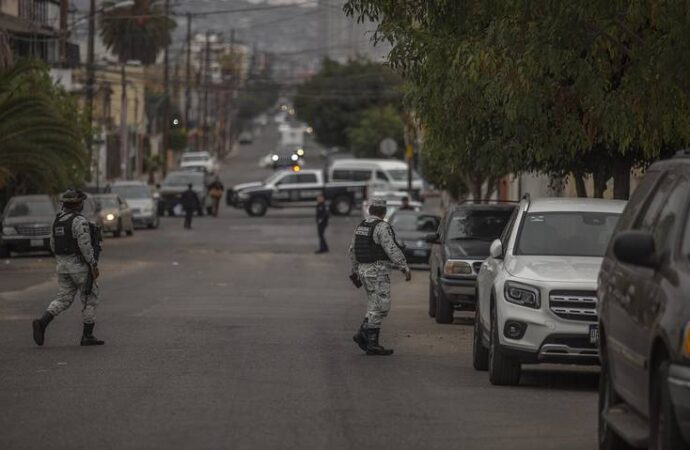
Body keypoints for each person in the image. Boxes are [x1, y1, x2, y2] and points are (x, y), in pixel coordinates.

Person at [32, 189, 104, 347]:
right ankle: (87, 335)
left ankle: (43, 322)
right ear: (78, 204)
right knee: (89, 299)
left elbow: (52, 244)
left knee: (63, 298)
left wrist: (63, 260)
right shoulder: (79, 221)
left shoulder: (57, 220)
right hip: (79, 266)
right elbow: (84, 245)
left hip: (62, 266)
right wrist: (92, 264)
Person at [349, 198, 411, 356]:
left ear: (370, 211)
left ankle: (364, 336)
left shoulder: (361, 226)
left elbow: (352, 250)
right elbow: (391, 247)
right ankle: (371, 342)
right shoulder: (382, 227)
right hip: (377, 271)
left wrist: (355, 270)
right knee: (381, 306)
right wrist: (403, 266)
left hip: (364, 270)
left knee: (373, 304)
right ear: (383, 213)